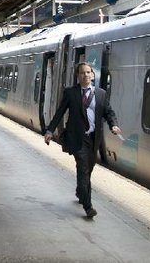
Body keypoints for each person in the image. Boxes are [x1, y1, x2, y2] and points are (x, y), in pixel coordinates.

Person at [44, 61, 122, 218]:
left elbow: (109, 112)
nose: (85, 75)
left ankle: (81, 192)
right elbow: (60, 112)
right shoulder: (70, 93)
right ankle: (88, 207)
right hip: (77, 138)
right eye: (82, 73)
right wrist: (50, 130)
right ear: (77, 76)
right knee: (83, 170)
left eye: (88, 72)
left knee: (88, 170)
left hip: (94, 139)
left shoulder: (100, 94)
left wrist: (114, 125)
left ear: (92, 75)